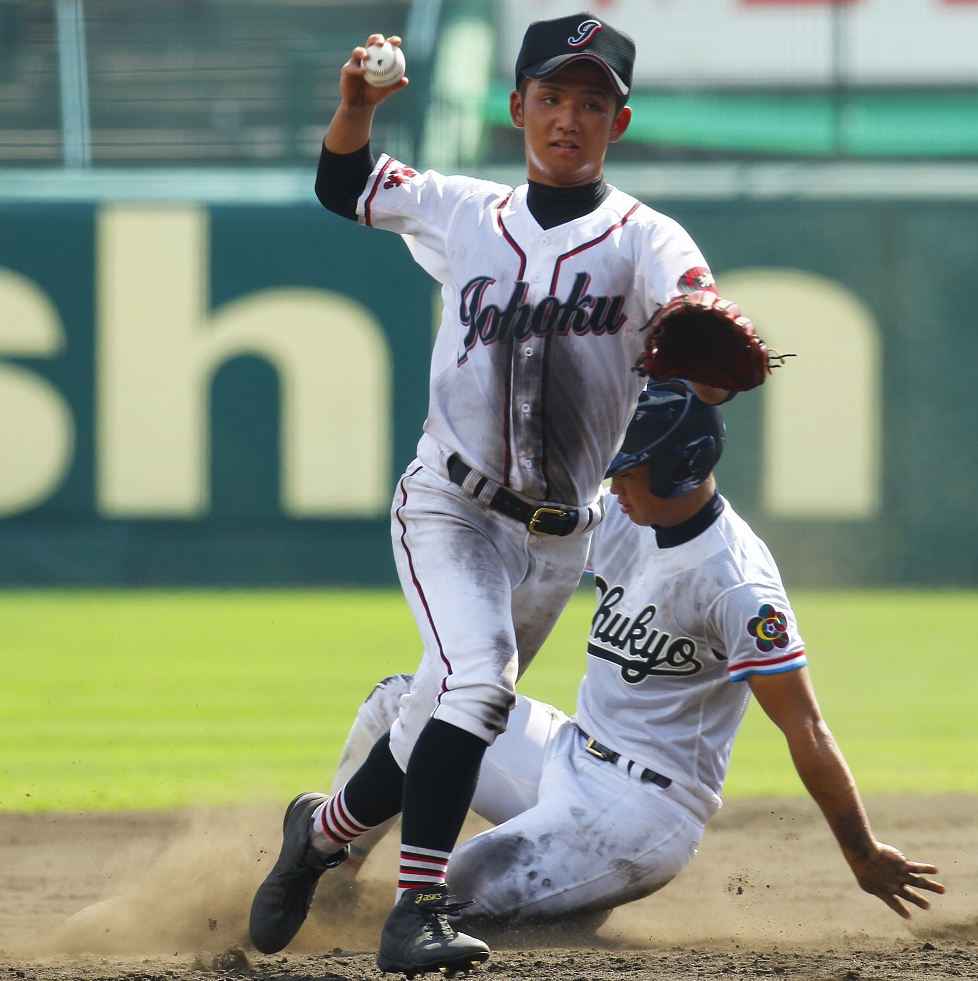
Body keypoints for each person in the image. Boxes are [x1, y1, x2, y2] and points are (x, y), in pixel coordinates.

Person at [248, 12, 740, 979]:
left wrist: (706, 344)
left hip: (561, 535)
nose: (568, 117)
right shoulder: (462, 209)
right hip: (451, 503)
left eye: (591, 102)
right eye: (552, 96)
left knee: (440, 706)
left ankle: (321, 832)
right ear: (517, 106)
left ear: (619, 121)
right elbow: (342, 183)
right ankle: (416, 911)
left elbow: (704, 327)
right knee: (479, 686)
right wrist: (354, 107)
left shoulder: (649, 238)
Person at [315, 382, 946, 931]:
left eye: (629, 469)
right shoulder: (624, 516)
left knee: (453, 889)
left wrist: (860, 850)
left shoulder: (737, 585)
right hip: (568, 751)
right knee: (401, 704)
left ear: (682, 467)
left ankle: (568, 882)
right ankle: (335, 878)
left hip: (645, 813)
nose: (614, 484)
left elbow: (804, 726)